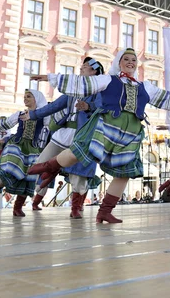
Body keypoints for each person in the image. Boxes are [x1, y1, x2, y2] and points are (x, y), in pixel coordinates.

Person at [27, 48, 170, 223]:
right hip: (106, 127)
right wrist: (51, 78)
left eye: (133, 60)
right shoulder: (108, 80)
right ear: (119, 63)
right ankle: (47, 166)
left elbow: (167, 97)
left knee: (124, 173)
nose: (130, 62)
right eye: (126, 59)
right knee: (78, 152)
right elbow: (83, 84)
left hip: (130, 134)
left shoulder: (145, 87)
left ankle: (104, 211)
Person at [21, 56, 104, 218]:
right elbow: (53, 107)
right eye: (81, 66)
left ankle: (76, 208)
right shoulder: (72, 92)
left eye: (85, 66)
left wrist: (89, 106)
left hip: (82, 137)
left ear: (94, 71)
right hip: (61, 135)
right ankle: (37, 199)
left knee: (78, 173)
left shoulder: (99, 91)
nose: (81, 68)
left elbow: (103, 107)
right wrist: (34, 114)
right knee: (42, 164)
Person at [0, 90, 50, 217]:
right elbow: (3, 123)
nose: (25, 99)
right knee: (8, 173)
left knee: (29, 177)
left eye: (29, 97)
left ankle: (17, 208)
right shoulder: (19, 114)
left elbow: (52, 123)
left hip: (33, 149)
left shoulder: (44, 116)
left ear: (37, 99)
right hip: (17, 147)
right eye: (24, 97)